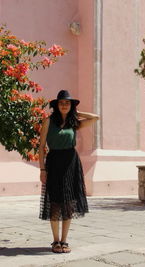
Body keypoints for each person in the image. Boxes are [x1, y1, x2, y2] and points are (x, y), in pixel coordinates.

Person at [39, 90, 99, 253]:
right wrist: (42, 169)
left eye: (67, 103)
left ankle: (64, 241)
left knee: (68, 203)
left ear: (71, 105)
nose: (64, 105)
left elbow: (95, 118)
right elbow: (41, 146)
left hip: (71, 163)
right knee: (55, 202)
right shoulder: (48, 121)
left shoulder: (74, 122)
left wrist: (77, 112)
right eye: (61, 102)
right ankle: (55, 241)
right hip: (53, 162)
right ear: (56, 105)